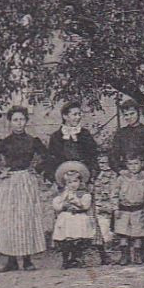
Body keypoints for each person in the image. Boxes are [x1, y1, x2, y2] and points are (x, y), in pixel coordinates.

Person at [41, 101, 110, 264]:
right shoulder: (57, 137)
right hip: (65, 180)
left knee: (90, 216)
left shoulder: (85, 134)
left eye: (79, 114)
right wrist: (56, 179)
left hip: (83, 179)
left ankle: (101, 254)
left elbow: (93, 157)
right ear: (65, 116)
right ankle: (69, 257)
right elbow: (52, 159)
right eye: (74, 114)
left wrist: (91, 177)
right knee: (67, 217)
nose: (77, 117)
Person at [0, 106, 47, 272]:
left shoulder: (33, 141)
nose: (19, 124)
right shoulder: (4, 143)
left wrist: (37, 169)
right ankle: (11, 261)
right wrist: (0, 173)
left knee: (26, 218)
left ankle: (27, 260)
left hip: (26, 180)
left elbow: (48, 157)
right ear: (10, 123)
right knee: (10, 220)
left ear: (26, 121)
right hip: (10, 183)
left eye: (22, 120)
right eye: (15, 120)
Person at [108, 98, 144, 236]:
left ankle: (141, 251)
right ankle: (125, 253)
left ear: (138, 113)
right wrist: (120, 170)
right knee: (123, 214)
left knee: (143, 213)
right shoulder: (120, 133)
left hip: (142, 177)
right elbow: (113, 155)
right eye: (126, 115)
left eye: (131, 114)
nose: (129, 117)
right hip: (125, 178)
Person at [50, 161, 100, 269]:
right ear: (65, 184)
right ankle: (65, 259)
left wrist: (77, 201)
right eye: (69, 182)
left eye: (75, 181)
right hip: (67, 218)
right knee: (66, 240)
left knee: (79, 239)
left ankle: (77, 258)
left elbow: (85, 206)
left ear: (80, 182)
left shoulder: (84, 194)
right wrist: (64, 202)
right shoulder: (62, 195)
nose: (73, 184)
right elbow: (56, 206)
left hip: (79, 218)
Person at [112, 154, 144, 265]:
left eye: (136, 164)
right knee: (123, 234)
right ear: (126, 165)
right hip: (123, 211)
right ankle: (124, 255)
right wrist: (115, 208)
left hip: (138, 211)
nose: (133, 167)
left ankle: (137, 255)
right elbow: (114, 194)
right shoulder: (121, 178)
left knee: (138, 234)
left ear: (142, 164)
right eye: (130, 164)